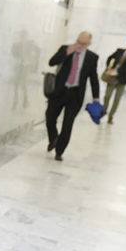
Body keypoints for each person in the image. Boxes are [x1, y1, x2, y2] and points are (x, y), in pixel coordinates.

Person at [45, 31, 100, 161]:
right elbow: (52, 62)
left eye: (83, 43)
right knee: (50, 117)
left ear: (89, 44)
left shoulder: (92, 57)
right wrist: (67, 52)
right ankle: (53, 138)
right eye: (78, 41)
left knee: (67, 124)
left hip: (75, 95)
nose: (79, 45)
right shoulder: (65, 49)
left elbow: (93, 78)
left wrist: (96, 97)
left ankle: (59, 151)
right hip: (59, 91)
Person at [101, 38, 126, 124]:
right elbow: (110, 58)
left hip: (122, 80)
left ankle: (110, 117)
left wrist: (116, 71)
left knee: (117, 99)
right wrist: (109, 66)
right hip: (111, 78)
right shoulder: (119, 51)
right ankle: (103, 111)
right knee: (107, 95)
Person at [10, 29, 40, 108]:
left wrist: (32, 61)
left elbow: (37, 51)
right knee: (16, 83)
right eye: (21, 34)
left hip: (25, 66)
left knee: (23, 83)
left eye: (24, 34)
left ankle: (25, 100)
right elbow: (13, 53)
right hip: (18, 65)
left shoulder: (30, 43)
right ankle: (16, 100)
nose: (22, 36)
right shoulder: (17, 44)